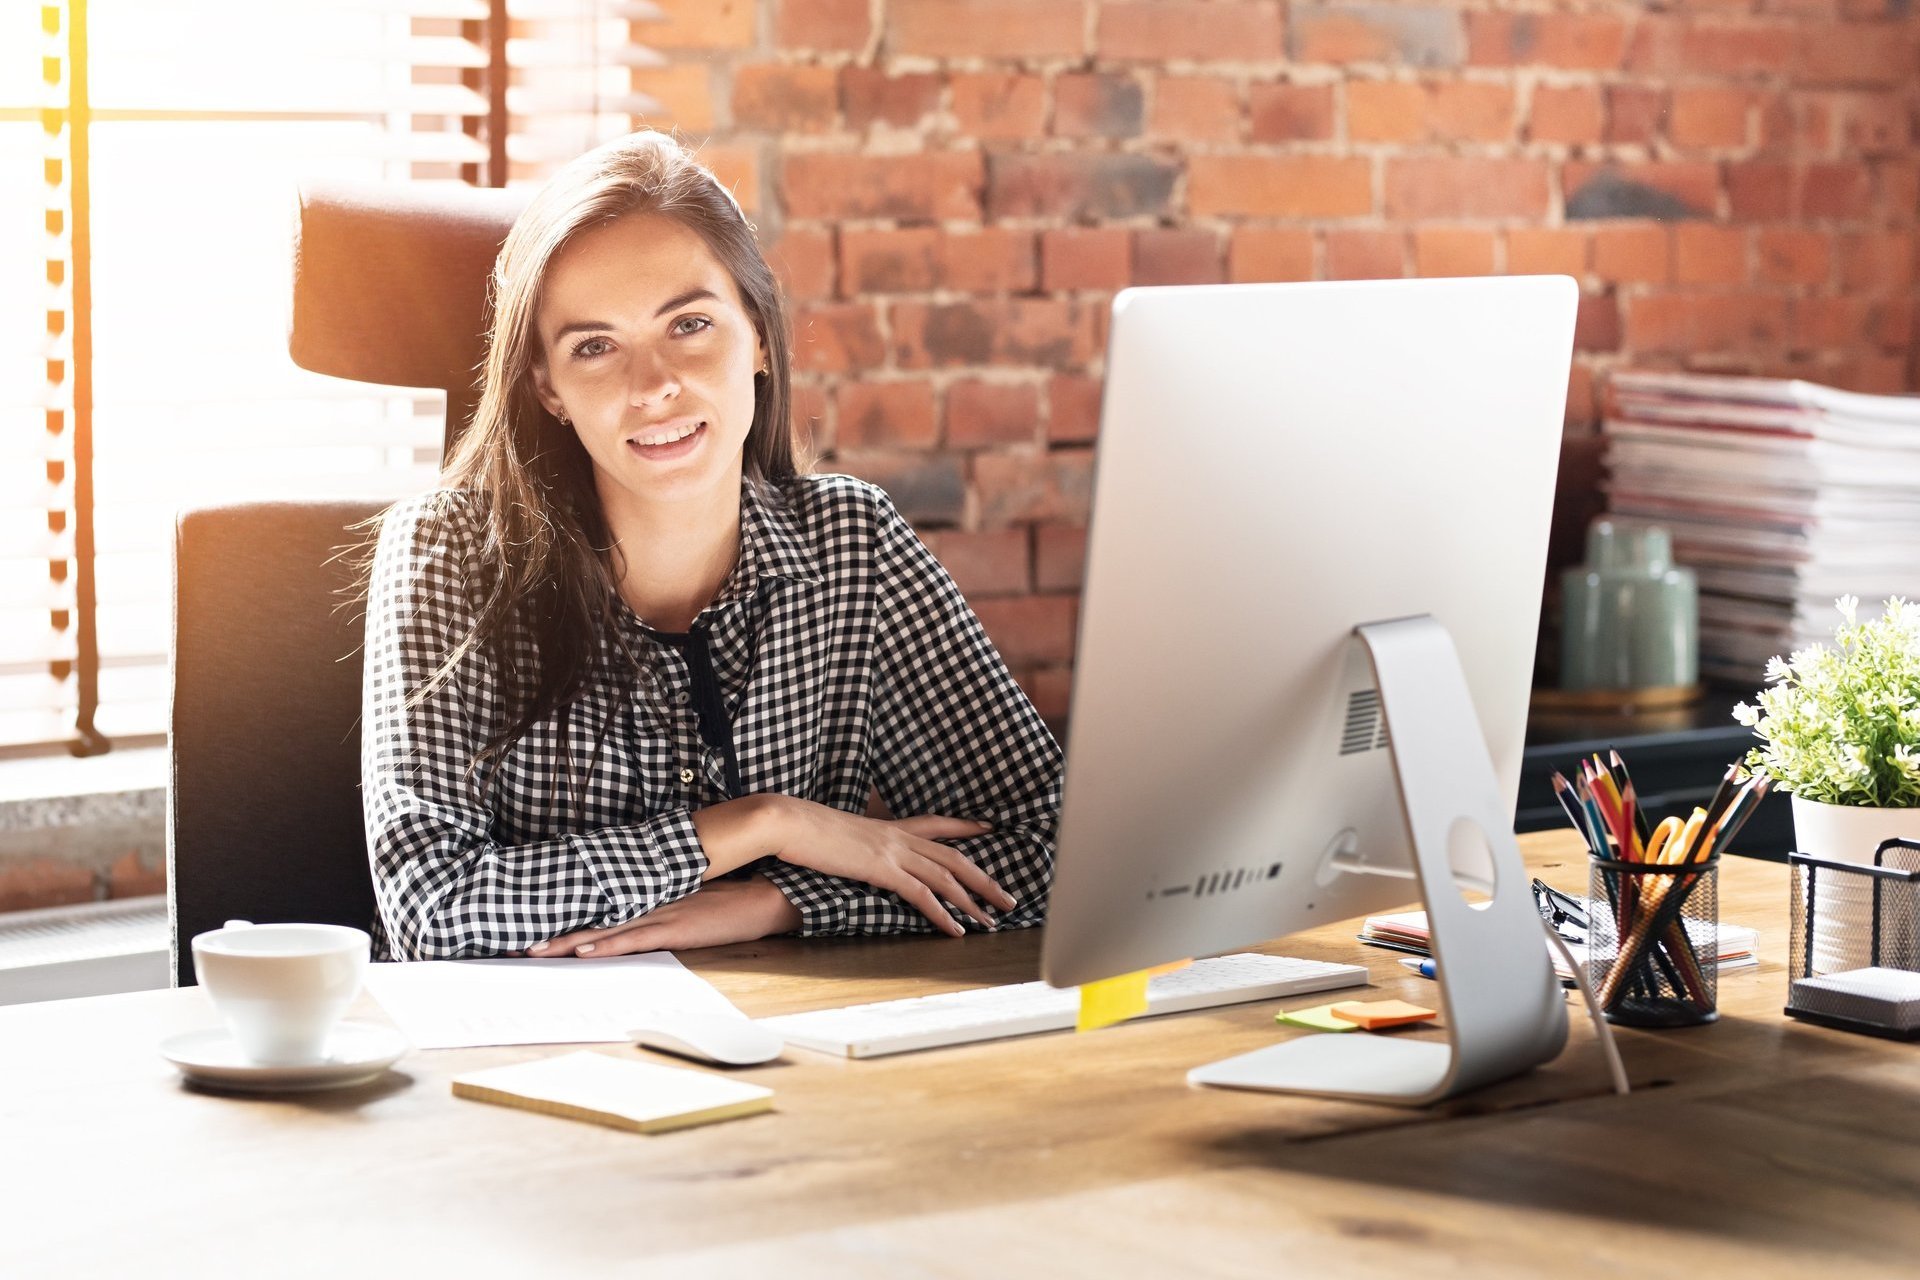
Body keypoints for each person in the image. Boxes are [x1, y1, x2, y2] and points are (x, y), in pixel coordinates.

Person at [360, 131, 1061, 962]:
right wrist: (767, 825)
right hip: (532, 1065)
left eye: (689, 324)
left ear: (759, 336)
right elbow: (431, 913)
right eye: (594, 346)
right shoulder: (445, 555)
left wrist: (776, 902)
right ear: (547, 386)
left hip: (802, 1050)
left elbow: (1055, 849)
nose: (653, 385)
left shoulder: (853, 544)